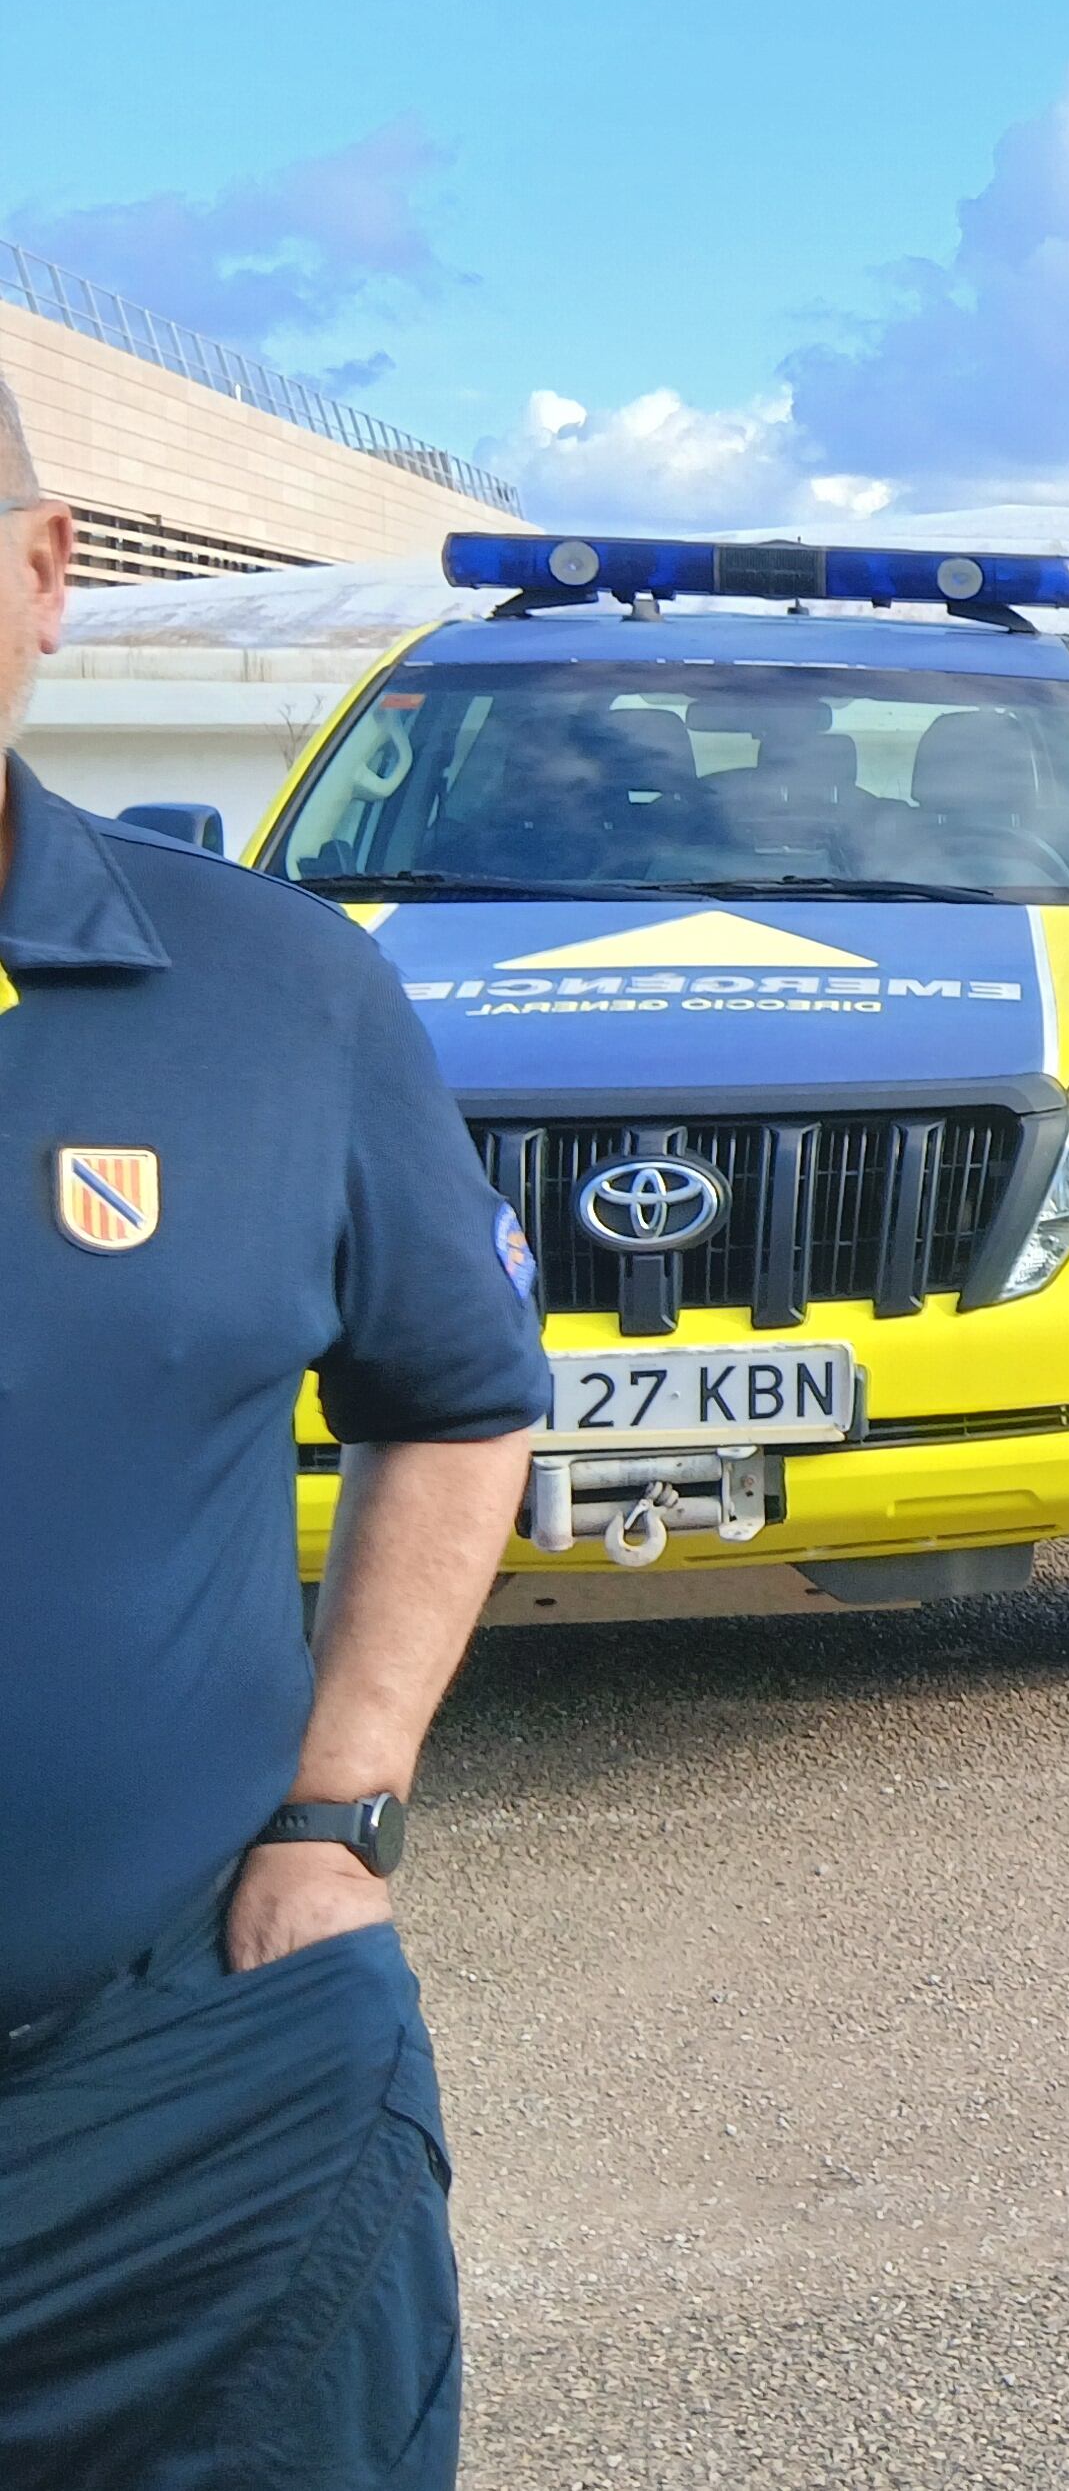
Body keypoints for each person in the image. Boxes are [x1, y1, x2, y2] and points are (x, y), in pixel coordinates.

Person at [0, 370, 549, 2490]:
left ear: (43, 578)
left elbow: (461, 1397)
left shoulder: (276, 994)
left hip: (184, 2129)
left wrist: (342, 1808)